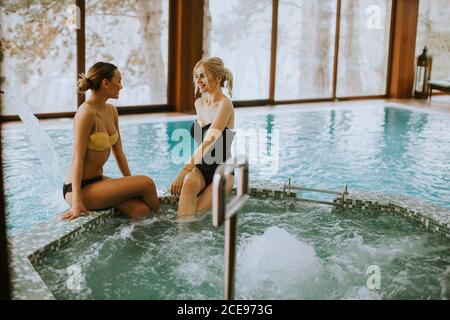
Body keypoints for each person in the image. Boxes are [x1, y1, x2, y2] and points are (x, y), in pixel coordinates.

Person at [62, 62, 159, 220]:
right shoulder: (86, 113)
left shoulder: (111, 111)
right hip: (77, 187)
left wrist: (132, 185)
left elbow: (119, 152)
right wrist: (77, 202)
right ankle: (165, 225)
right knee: (147, 183)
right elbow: (77, 157)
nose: (121, 86)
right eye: (119, 81)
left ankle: (153, 227)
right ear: (105, 83)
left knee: (141, 211)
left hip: (97, 181)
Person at [171, 57, 235, 218]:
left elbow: (209, 141)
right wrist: (188, 173)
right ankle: (179, 240)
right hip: (202, 168)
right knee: (187, 192)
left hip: (222, 171)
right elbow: (201, 136)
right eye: (196, 76)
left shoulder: (224, 105)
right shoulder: (199, 103)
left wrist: (183, 171)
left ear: (218, 78)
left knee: (197, 215)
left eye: (202, 76)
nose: (198, 80)